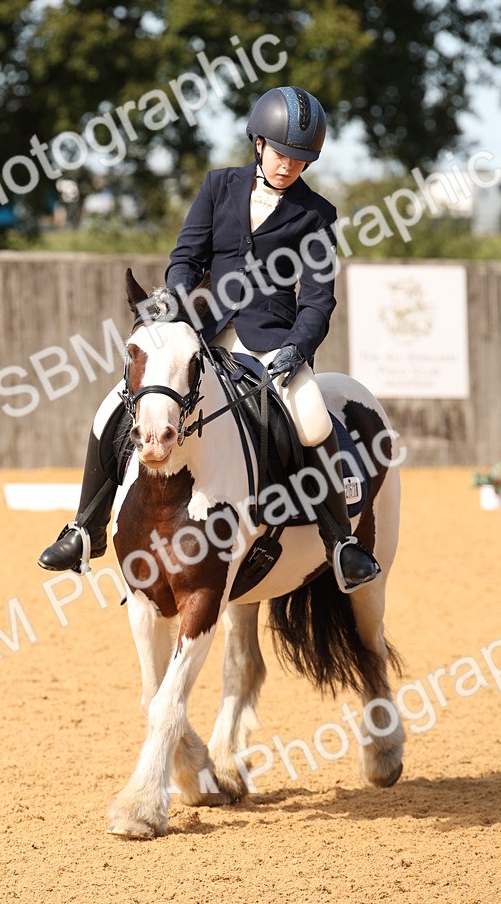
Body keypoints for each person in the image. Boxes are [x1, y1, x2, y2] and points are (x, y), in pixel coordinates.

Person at [38, 85, 380, 592]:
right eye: (282, 153)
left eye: (300, 159)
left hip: (272, 342)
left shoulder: (317, 215)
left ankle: (340, 545)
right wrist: (175, 306)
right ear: (259, 144)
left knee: (310, 417)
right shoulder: (219, 186)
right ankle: (85, 528)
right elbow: (186, 258)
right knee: (115, 403)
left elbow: (317, 300)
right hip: (203, 332)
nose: (288, 166)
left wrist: (299, 348)